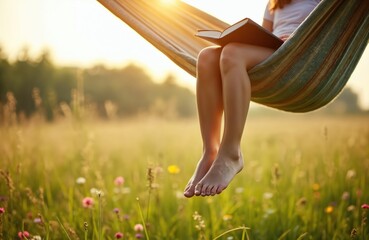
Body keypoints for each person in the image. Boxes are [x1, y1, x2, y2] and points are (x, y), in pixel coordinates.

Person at [184, 0, 320, 198]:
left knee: (232, 53)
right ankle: (209, 151)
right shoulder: (275, 3)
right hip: (275, 53)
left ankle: (231, 152)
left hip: (297, 56)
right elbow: (265, 37)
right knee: (206, 57)